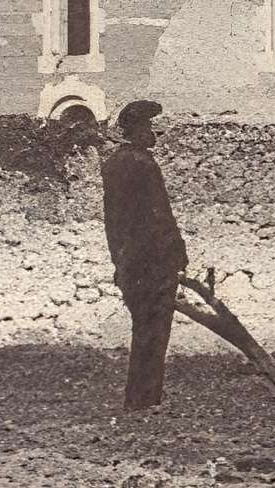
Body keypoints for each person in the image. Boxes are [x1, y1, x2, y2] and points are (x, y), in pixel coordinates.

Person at [100, 99, 187, 412]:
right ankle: (145, 398)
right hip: (152, 260)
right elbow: (158, 215)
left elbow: (114, 220)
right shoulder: (143, 164)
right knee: (155, 327)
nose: (153, 133)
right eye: (148, 127)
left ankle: (138, 397)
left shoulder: (112, 164)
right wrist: (177, 251)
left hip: (128, 260)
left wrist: (119, 260)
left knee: (142, 326)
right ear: (135, 130)